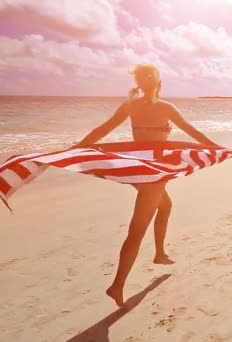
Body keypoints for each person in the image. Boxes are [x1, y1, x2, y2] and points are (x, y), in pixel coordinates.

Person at [73, 64, 222, 307]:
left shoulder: (131, 105)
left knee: (166, 206)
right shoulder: (166, 108)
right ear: (158, 81)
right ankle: (117, 285)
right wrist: (217, 148)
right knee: (137, 230)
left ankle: (160, 254)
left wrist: (77, 147)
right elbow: (193, 133)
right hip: (153, 173)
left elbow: (103, 129)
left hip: (140, 169)